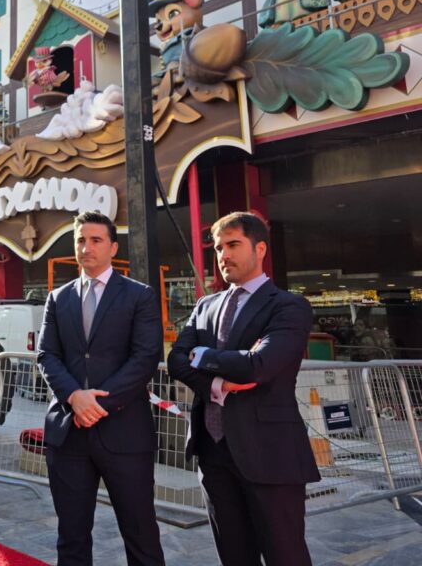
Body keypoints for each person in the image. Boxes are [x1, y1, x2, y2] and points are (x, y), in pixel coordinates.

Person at [167, 211, 318, 566]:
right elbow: (175, 360)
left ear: (260, 248)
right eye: (218, 248)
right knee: (234, 556)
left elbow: (259, 365)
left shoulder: (289, 306)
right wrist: (219, 382)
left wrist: (201, 354)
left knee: (286, 556)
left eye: (233, 244)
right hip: (213, 453)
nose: (223, 255)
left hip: (270, 454)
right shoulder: (205, 306)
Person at [37, 211, 165, 566]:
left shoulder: (139, 296)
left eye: (95, 240)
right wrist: (75, 398)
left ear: (113, 247)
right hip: (69, 434)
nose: (86, 247)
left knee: (140, 534)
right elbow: (47, 354)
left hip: (124, 433)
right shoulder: (58, 298)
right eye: (80, 239)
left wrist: (97, 404)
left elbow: (145, 357)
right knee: (72, 537)